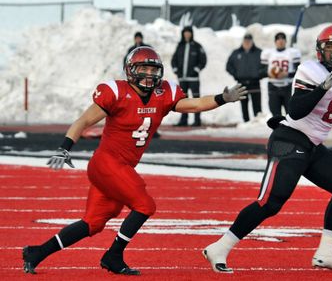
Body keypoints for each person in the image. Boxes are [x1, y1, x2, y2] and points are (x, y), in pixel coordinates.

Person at [22, 46, 247, 275]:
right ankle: (114, 255)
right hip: (106, 163)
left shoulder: (163, 94)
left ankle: (36, 252)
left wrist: (222, 98)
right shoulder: (116, 92)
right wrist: (65, 148)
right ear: (130, 70)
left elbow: (196, 104)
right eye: (144, 68)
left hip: (121, 168)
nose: (149, 74)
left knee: (93, 223)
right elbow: (84, 121)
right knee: (145, 205)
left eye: (153, 69)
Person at [203, 24, 332, 273]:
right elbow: (296, 110)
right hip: (290, 139)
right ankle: (219, 248)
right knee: (271, 202)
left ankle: (326, 253)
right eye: (329, 47)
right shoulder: (309, 70)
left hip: (313, 146)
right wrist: (322, 89)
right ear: (320, 50)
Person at [171, 26, 207, 126]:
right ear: (183, 34)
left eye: (189, 33)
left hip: (193, 79)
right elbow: (174, 59)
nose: (187, 34)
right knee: (183, 101)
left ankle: (197, 120)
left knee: (196, 99)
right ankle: (183, 120)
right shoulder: (180, 46)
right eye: (185, 33)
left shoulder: (197, 46)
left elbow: (203, 60)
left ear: (191, 34)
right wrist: (176, 69)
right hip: (182, 78)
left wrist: (197, 69)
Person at [261, 32, 301, 116]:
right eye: (278, 39)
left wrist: (287, 74)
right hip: (273, 87)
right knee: (275, 115)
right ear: (275, 42)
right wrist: (269, 74)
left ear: (286, 41)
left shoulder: (292, 53)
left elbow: (298, 71)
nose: (280, 41)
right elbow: (261, 72)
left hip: (288, 86)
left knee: (290, 114)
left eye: (283, 38)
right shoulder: (268, 53)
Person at [226, 33, 263, 122]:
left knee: (257, 105)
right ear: (243, 41)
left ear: (252, 41)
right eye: (245, 41)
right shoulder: (236, 52)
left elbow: (265, 66)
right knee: (244, 104)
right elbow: (228, 66)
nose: (247, 42)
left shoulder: (259, 52)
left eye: (249, 41)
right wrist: (235, 74)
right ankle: (246, 122)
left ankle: (258, 123)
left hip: (255, 83)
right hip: (241, 83)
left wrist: (259, 74)